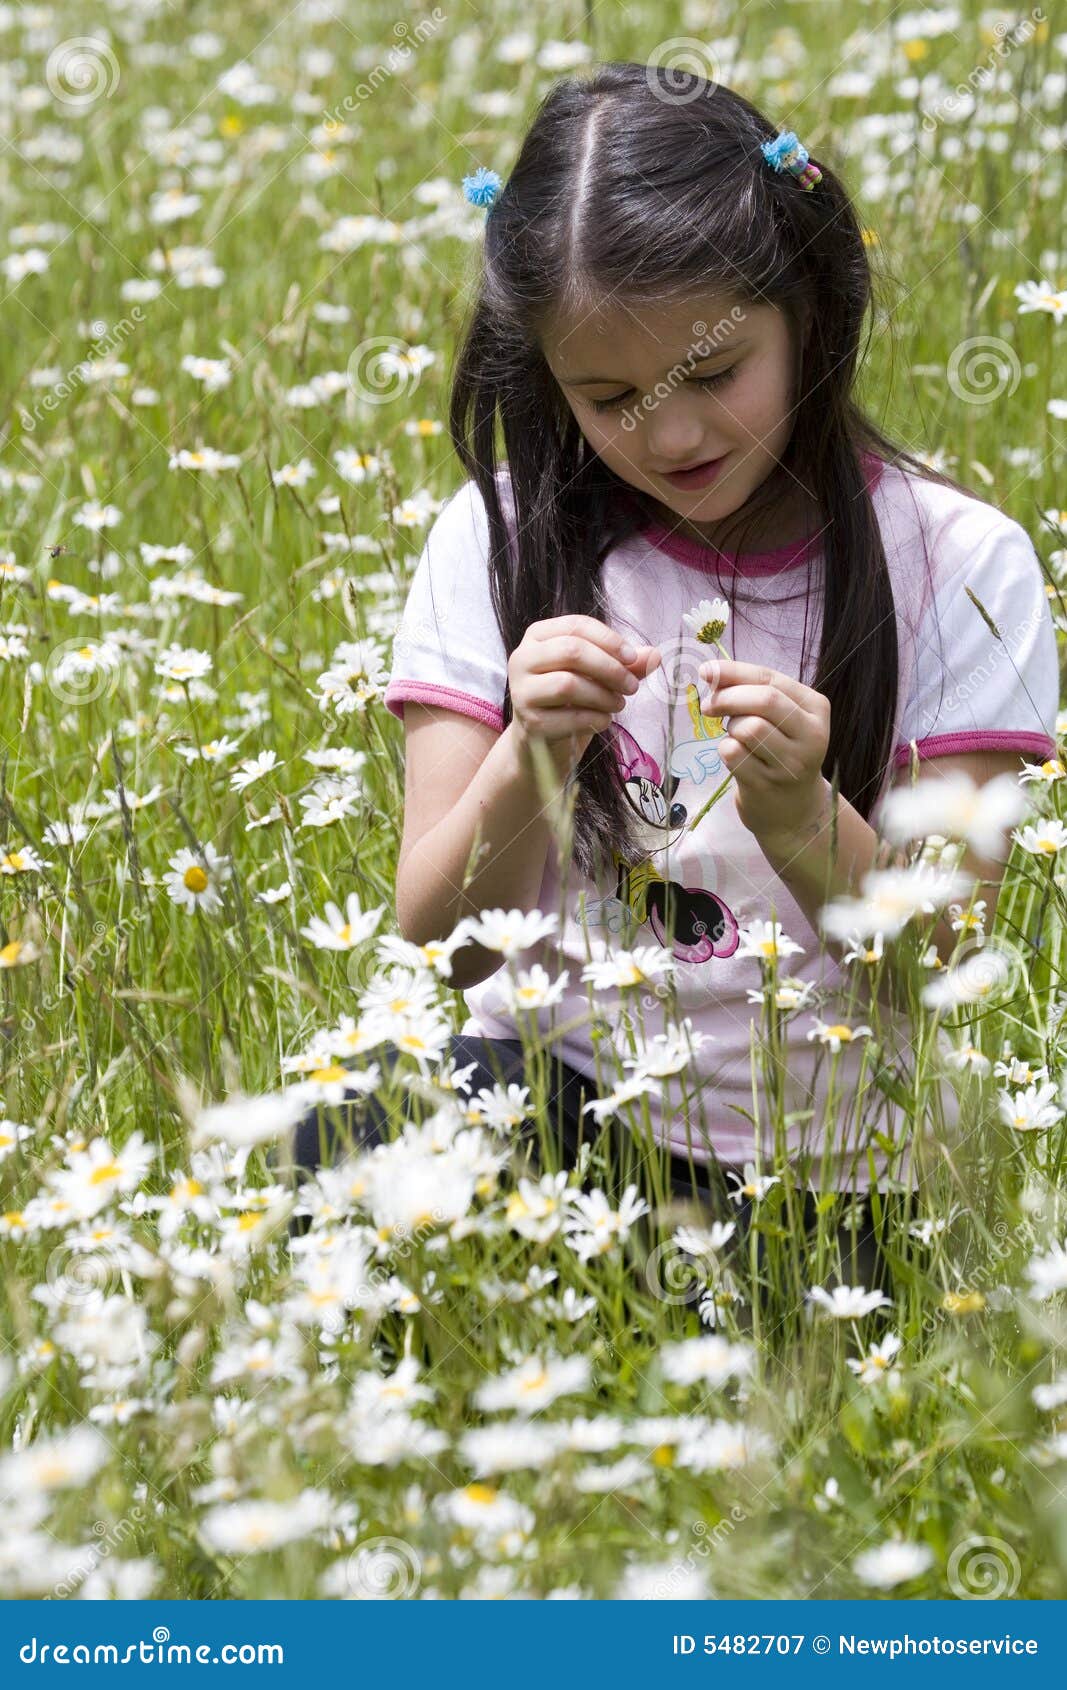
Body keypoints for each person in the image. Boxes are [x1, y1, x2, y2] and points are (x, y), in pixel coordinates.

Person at [289, 63, 1059, 1295]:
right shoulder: (497, 541)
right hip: (561, 1106)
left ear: (807, 310)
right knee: (328, 1159)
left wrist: (803, 818)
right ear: (542, 376)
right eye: (607, 398)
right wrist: (527, 756)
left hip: (834, 1165)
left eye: (710, 375)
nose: (671, 437)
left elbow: (941, 970)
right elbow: (445, 946)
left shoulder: (957, 563)